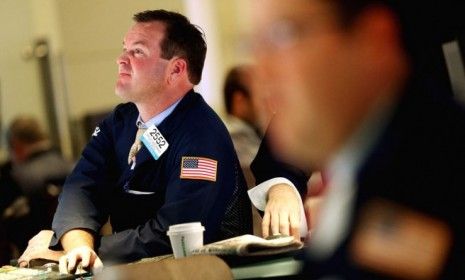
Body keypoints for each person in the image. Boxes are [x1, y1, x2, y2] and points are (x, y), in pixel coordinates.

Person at [19, 9, 251, 273]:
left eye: (137, 52)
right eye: (124, 49)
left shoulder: (201, 134)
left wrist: (90, 249)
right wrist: (78, 248)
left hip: (207, 274)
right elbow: (81, 189)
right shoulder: (121, 122)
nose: (121, 59)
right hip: (138, 272)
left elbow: (176, 232)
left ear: (175, 70)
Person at [251, 0, 465, 278]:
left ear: (373, 39)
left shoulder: (433, 183)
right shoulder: (359, 157)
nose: (261, 70)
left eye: (284, 35)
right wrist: (282, 187)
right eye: (255, 44)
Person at [1, 116, 73, 255]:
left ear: (16, 145)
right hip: (80, 251)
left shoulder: (14, 177)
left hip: (32, 257)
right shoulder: (76, 166)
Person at [222, 64, 262, 187]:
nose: (265, 102)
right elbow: (275, 173)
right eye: (259, 94)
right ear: (239, 100)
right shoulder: (234, 136)